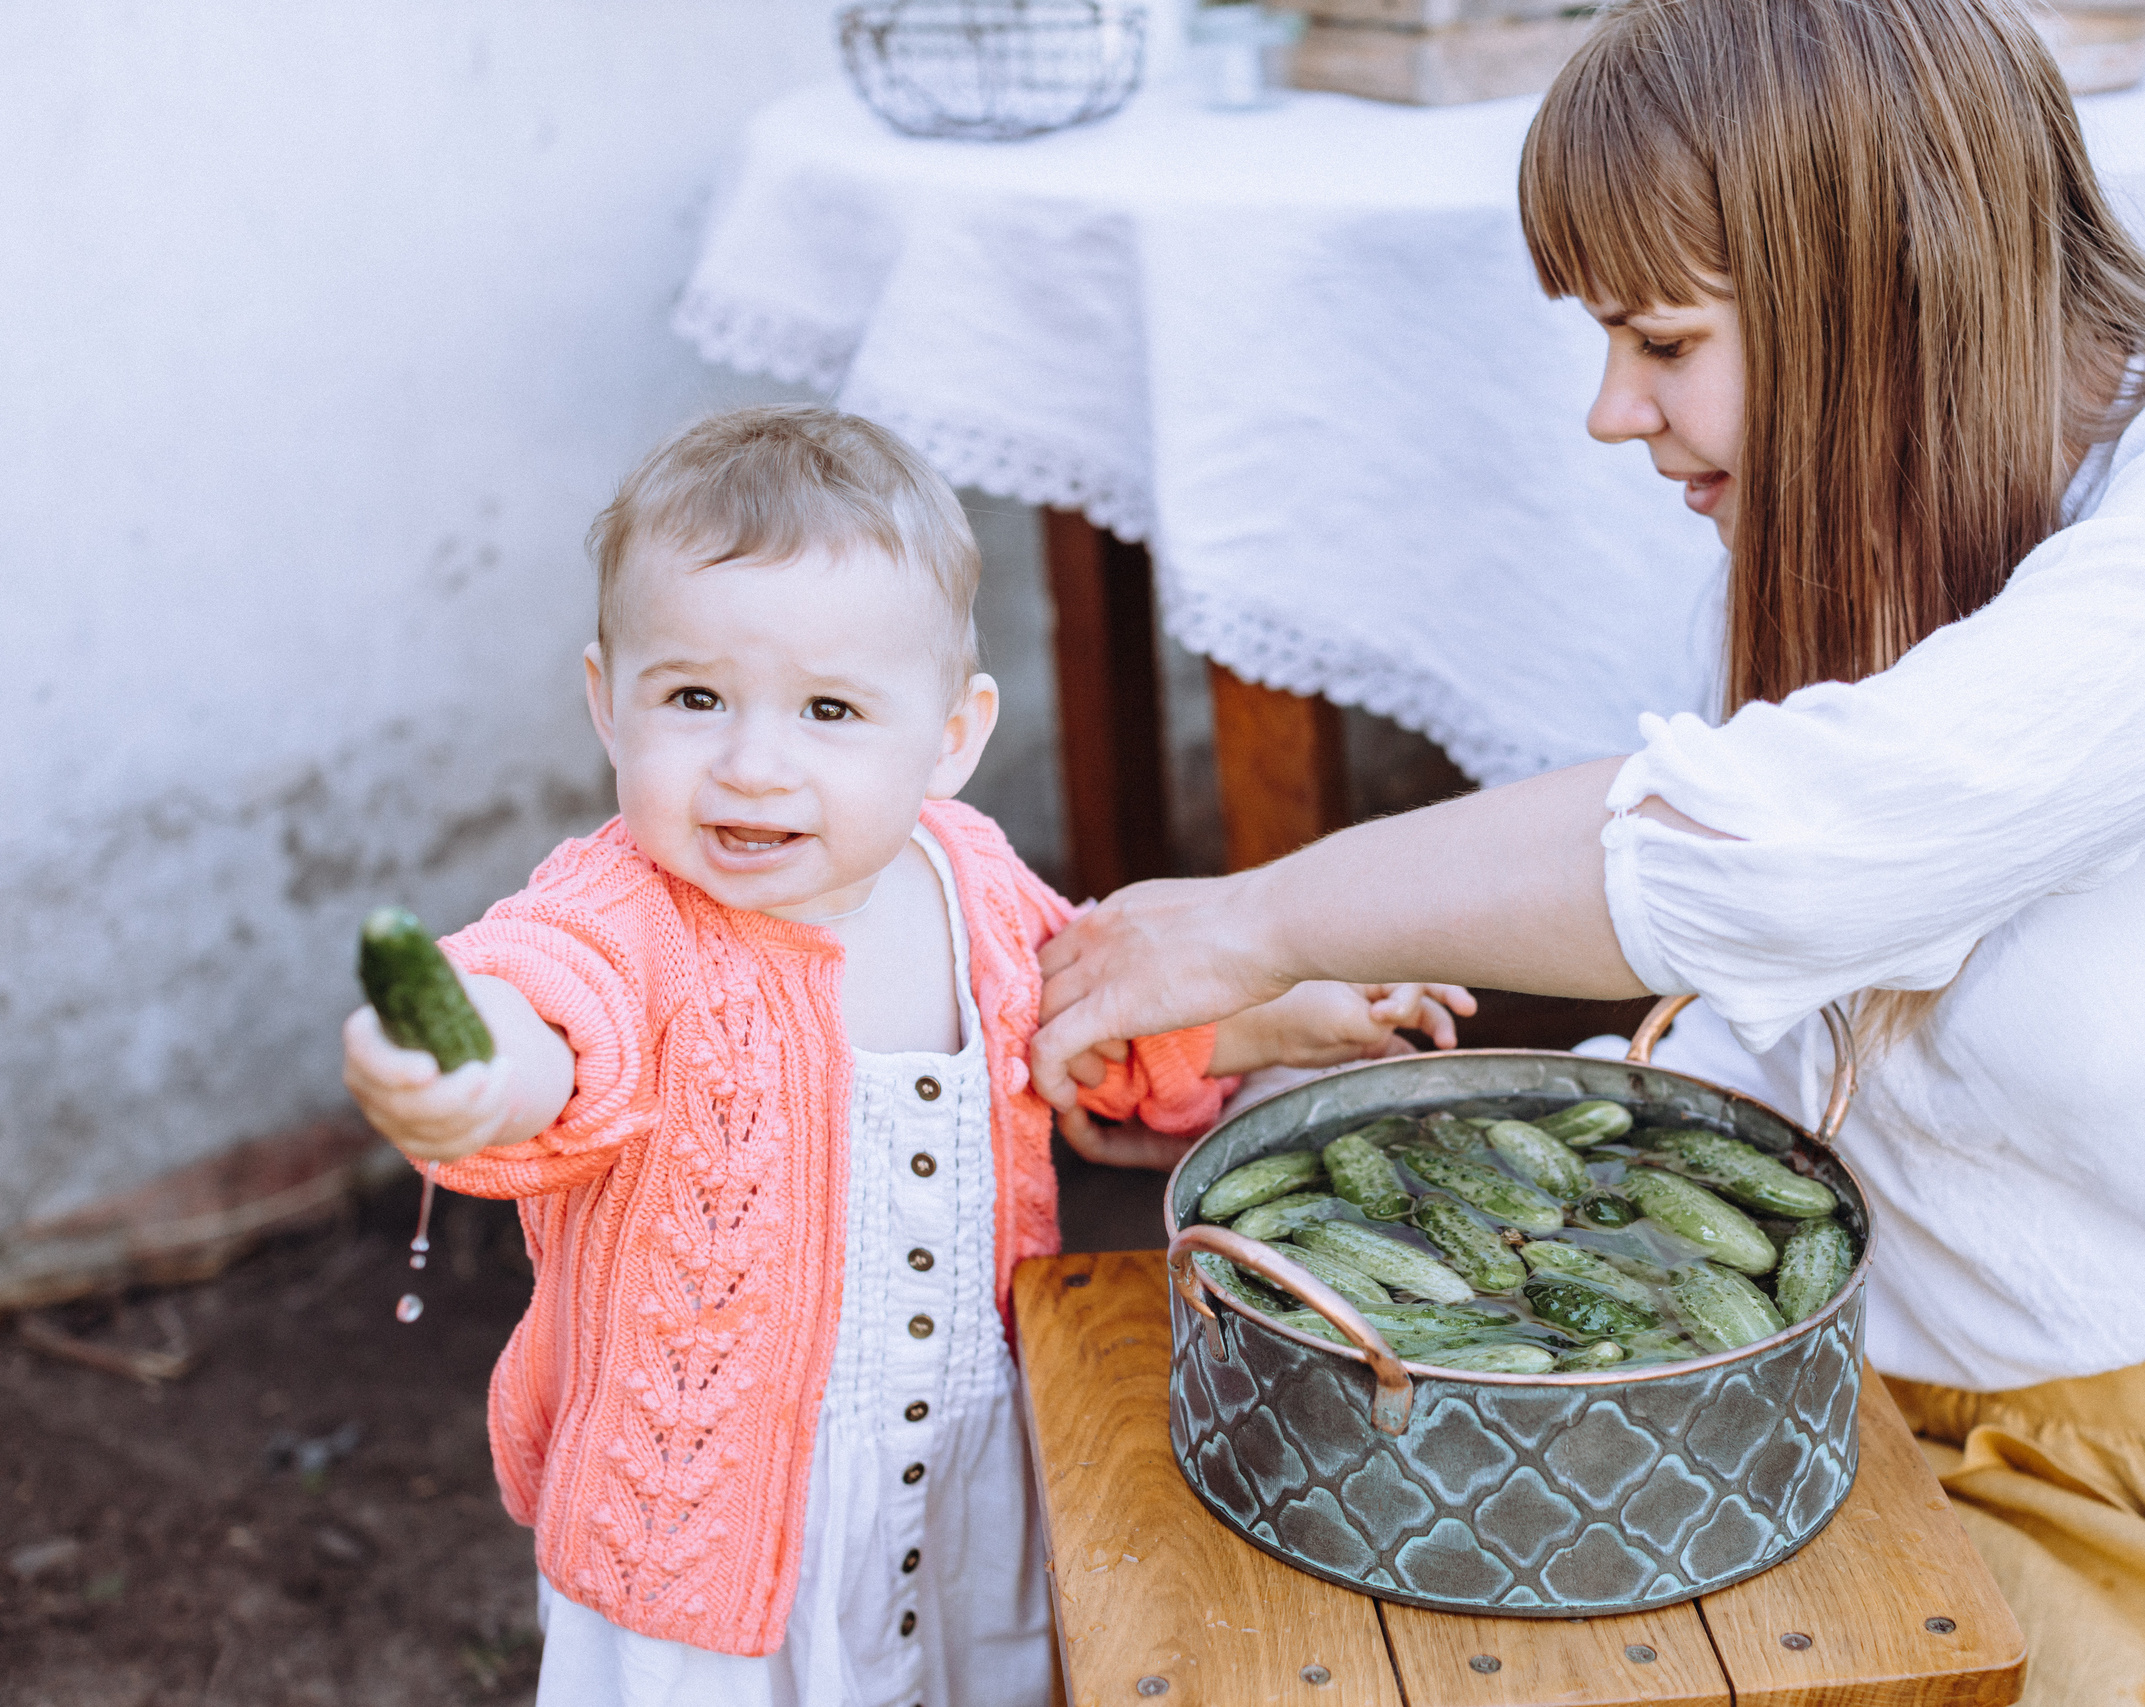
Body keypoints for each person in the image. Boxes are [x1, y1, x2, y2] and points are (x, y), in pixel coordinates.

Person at [1028, 0, 2145, 1698]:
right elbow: (1793, 1050)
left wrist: (1260, 918)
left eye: (1661, 339)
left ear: (1877, 284)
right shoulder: (1856, 559)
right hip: (1914, 1447)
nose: (1612, 411)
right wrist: (1321, 1106)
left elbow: (1786, 858)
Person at [337, 406, 1470, 1707]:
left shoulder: (965, 875)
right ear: (608, 701)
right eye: (695, 698)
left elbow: (1078, 1022)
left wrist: (1275, 1018)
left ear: (950, 735)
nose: (753, 765)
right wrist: (474, 1067)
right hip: (713, 1520)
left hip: (967, 1460)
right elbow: (549, 1008)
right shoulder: (627, 919)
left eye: (829, 709)